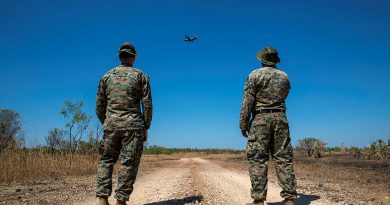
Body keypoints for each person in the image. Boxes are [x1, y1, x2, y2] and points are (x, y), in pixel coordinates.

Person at [95, 42, 153, 205]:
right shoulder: (141, 76)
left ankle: (102, 198)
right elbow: (147, 104)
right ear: (133, 57)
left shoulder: (106, 76)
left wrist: (107, 122)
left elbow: (99, 105)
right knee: (129, 162)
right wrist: (146, 126)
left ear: (120, 57)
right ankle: (121, 201)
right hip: (133, 127)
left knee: (106, 160)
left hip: (111, 126)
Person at [239, 47, 297, 205]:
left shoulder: (255, 75)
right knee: (283, 158)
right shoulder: (284, 77)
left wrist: (243, 123)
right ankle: (290, 198)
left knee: (258, 159)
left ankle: (258, 200)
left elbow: (248, 101)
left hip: (260, 119)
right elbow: (285, 94)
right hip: (281, 118)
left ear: (261, 59)